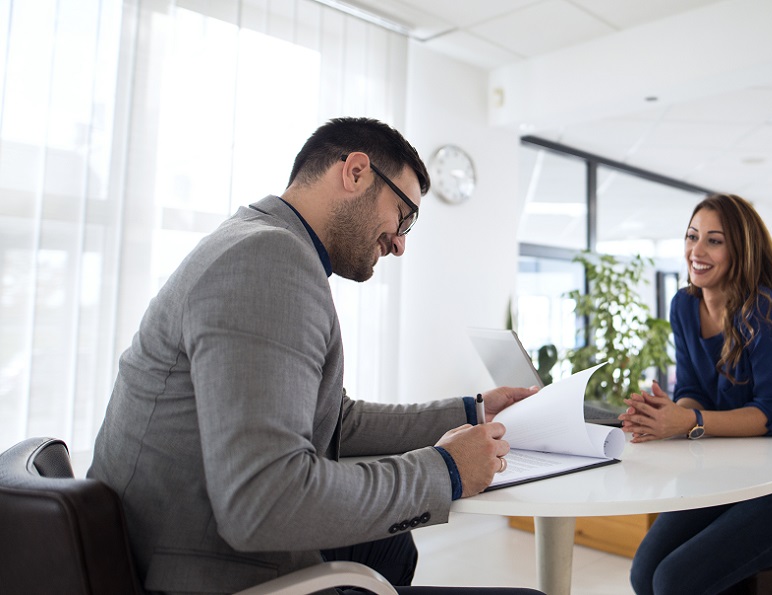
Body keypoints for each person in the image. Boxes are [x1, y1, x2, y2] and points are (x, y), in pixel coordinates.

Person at [88, 117, 543, 595]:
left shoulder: (256, 238)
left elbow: (335, 419)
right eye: (403, 215)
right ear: (355, 173)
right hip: (201, 568)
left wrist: (473, 411)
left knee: (392, 548)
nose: (401, 243)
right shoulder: (267, 261)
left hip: (168, 536)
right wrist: (445, 470)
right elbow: (263, 502)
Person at [620, 193, 772, 595]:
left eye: (714, 241)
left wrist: (688, 421)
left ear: (740, 250)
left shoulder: (764, 310)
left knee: (674, 581)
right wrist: (668, 415)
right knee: (643, 571)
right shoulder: (684, 305)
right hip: (728, 476)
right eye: (691, 236)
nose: (696, 251)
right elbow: (692, 390)